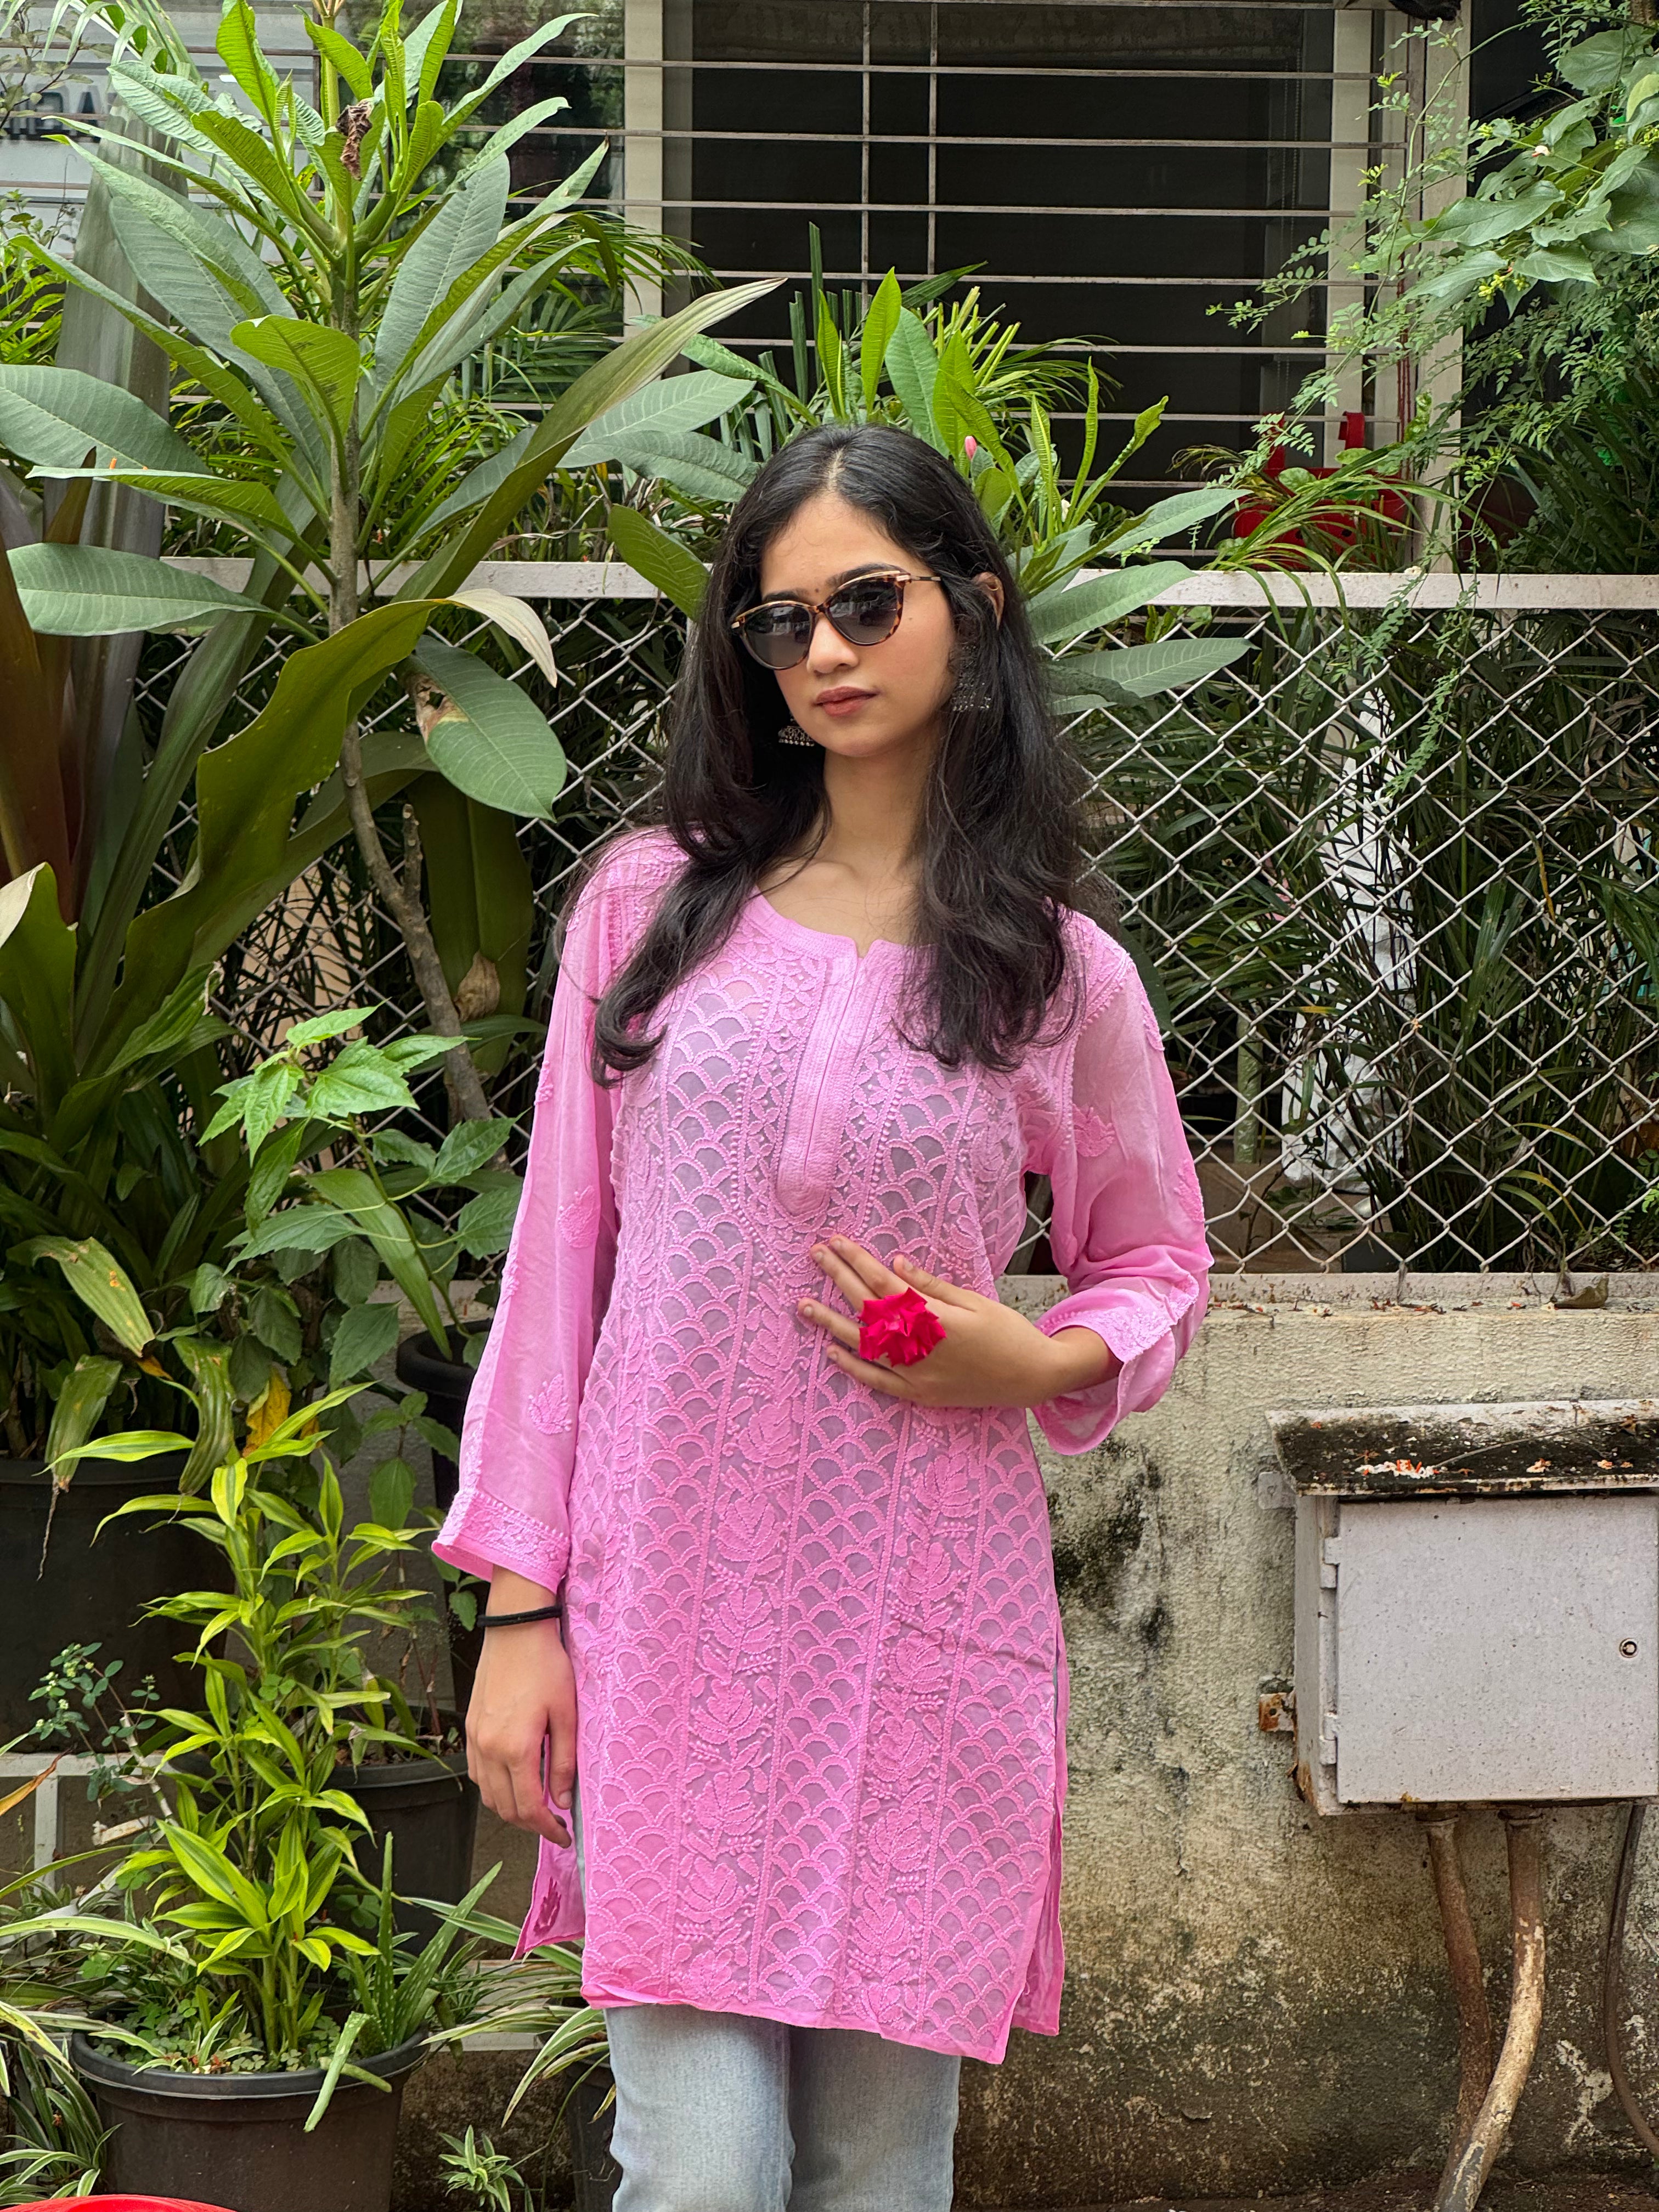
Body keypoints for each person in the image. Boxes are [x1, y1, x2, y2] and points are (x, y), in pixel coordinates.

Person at [433, 422, 1211, 2212]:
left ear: (977, 608)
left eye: (869, 603)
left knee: (875, 2172)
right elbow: (558, 1275)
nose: (828, 653)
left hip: (915, 1642)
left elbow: (1155, 1261)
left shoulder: (1056, 975)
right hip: (669, 1633)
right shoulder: (652, 911)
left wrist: (1035, 1356)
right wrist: (521, 1608)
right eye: (781, 623)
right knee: (706, 2171)